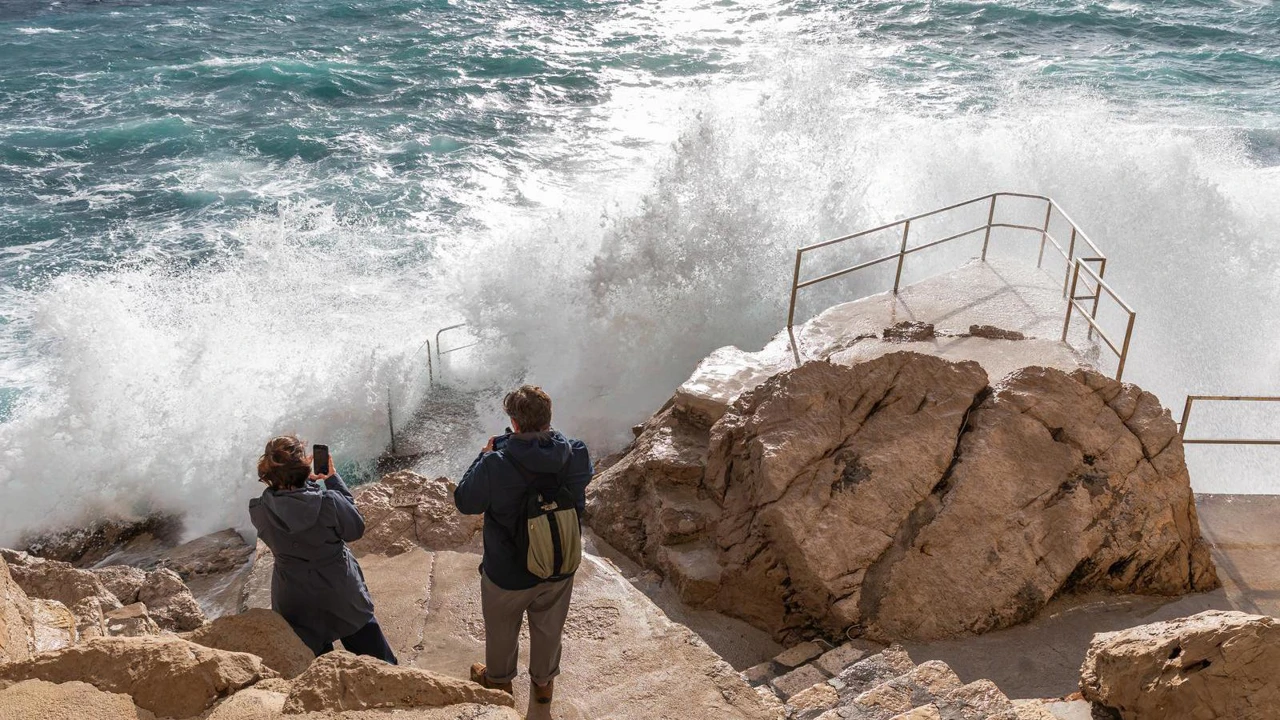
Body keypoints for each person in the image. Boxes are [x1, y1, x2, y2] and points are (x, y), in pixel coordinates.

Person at [454, 385, 593, 711]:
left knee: (502, 629)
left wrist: (485, 455)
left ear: (514, 424)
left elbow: (464, 500)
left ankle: (500, 685)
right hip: (559, 563)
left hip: (508, 570)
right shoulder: (576, 452)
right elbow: (581, 483)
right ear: (549, 419)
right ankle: (543, 687)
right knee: (549, 628)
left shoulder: (495, 463)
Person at [249, 435, 398, 664]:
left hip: (295, 599)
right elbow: (355, 528)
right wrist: (332, 479)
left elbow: (290, 505)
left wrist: (298, 483)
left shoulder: (259, 511)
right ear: (304, 467)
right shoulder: (329, 501)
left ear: (268, 474)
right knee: (380, 661)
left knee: (316, 669)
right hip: (341, 592)